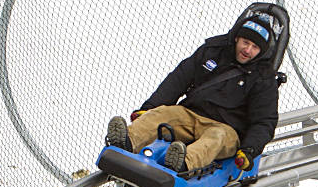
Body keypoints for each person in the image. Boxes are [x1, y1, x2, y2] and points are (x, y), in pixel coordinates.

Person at [106, 13, 280, 174]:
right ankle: (126, 140)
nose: (247, 50)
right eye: (245, 42)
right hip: (191, 114)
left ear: (262, 51)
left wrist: (249, 149)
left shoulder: (264, 78)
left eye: (254, 47)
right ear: (236, 38)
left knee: (214, 138)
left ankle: (181, 163)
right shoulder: (213, 51)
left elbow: (264, 120)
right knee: (164, 113)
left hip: (226, 129)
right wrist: (149, 108)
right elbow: (179, 78)